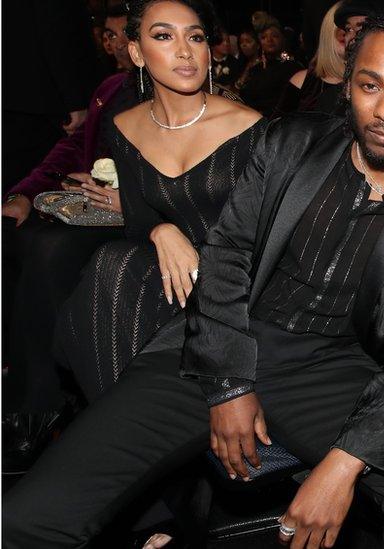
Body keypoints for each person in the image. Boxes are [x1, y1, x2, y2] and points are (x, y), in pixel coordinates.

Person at [4, 9, 384, 549]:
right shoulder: (288, 144)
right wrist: (230, 384)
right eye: (370, 86)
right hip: (224, 335)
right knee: (29, 517)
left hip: (334, 368)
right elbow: (227, 254)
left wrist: (345, 463)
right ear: (348, 84)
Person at [54, 0, 265, 406]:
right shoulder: (124, 127)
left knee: (115, 271)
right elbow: (138, 215)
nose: (184, 50)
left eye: (196, 37)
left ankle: (127, 426)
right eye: (164, 36)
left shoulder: (250, 129)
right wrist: (160, 228)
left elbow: (267, 234)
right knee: (112, 266)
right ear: (136, 53)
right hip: (171, 273)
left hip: (236, 279)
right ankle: (124, 423)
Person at [0, 5, 139, 472]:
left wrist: (129, 199)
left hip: (144, 217)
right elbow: (71, 149)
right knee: (19, 235)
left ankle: (39, 407)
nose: (115, 44)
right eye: (112, 36)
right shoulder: (109, 89)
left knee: (50, 249)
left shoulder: (195, 99)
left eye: (125, 35)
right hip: (89, 208)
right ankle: (21, 385)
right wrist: (24, 192)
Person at [3, 0, 100, 193]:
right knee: (35, 184)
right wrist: (75, 101)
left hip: (21, 94)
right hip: (40, 99)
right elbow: (56, 32)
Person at [274, 1, 347, 117]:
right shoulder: (302, 82)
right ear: (327, 30)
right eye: (341, 24)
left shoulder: (374, 84)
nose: (346, 32)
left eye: (356, 26)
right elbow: (276, 130)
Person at [238, 23, 304, 115]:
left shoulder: (294, 68)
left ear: (283, 39)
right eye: (264, 37)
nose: (269, 40)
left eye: (275, 36)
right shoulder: (255, 70)